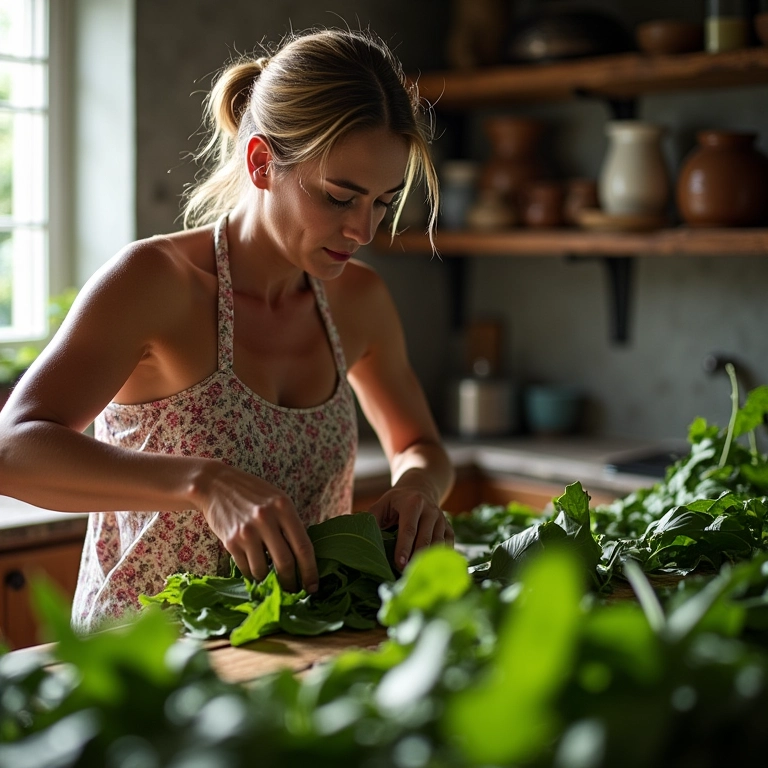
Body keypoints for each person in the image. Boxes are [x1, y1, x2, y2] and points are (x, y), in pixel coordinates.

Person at [0, 27, 455, 632]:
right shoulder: (154, 283)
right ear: (262, 162)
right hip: (146, 666)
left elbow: (418, 445)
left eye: (381, 201)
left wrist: (419, 488)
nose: (363, 231)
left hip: (296, 655)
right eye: (340, 197)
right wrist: (202, 482)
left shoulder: (360, 301)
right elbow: (13, 449)